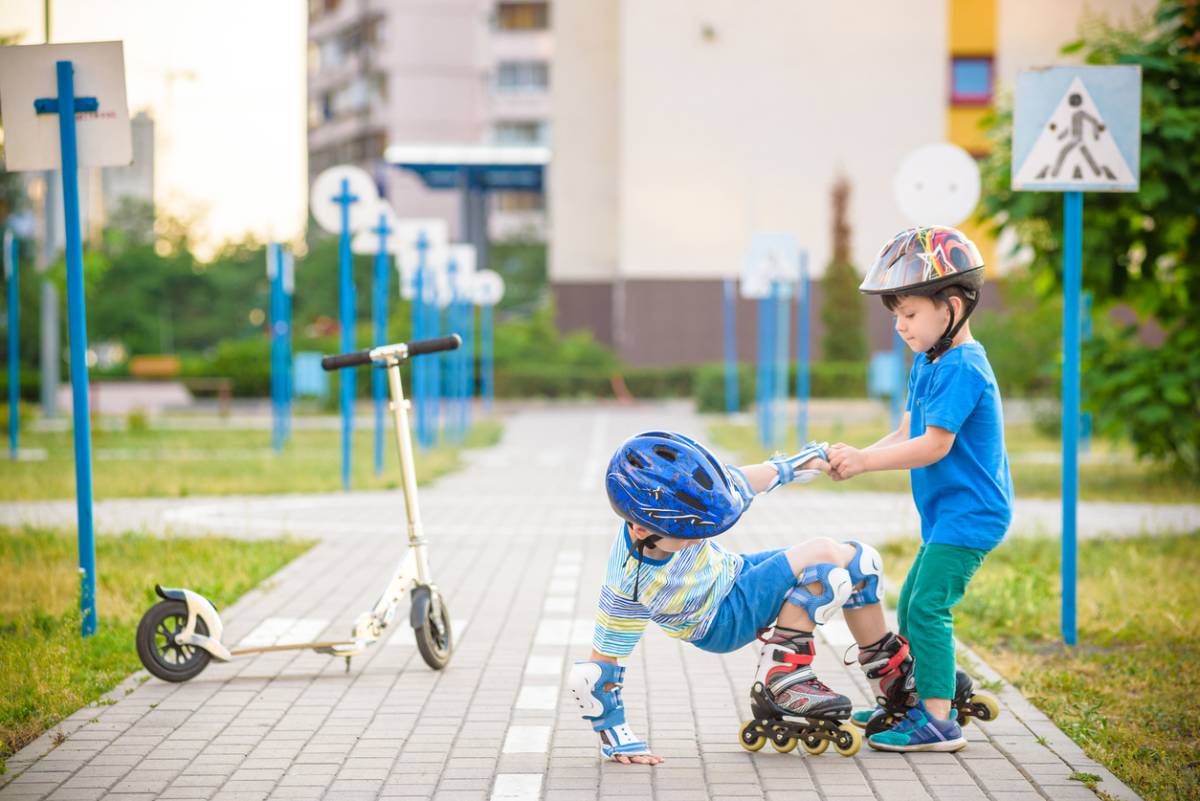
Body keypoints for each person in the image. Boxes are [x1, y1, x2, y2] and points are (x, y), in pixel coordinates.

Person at [566, 432, 916, 764]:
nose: (698, 537)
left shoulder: (675, 508)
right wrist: (615, 737)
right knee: (824, 564)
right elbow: (599, 671)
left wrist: (802, 462)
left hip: (735, 573)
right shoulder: (629, 582)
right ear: (641, 530)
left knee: (860, 562)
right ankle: (781, 681)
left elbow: (741, 482)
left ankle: (891, 679)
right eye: (689, 534)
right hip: (719, 621)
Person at [826, 225, 1013, 752]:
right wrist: (856, 455)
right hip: (947, 512)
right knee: (912, 603)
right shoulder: (930, 362)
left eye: (909, 315)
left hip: (971, 514)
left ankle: (937, 721)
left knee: (927, 605)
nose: (901, 327)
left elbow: (933, 446)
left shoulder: (964, 365)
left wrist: (866, 463)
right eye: (896, 318)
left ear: (952, 306)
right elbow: (908, 432)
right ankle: (918, 695)